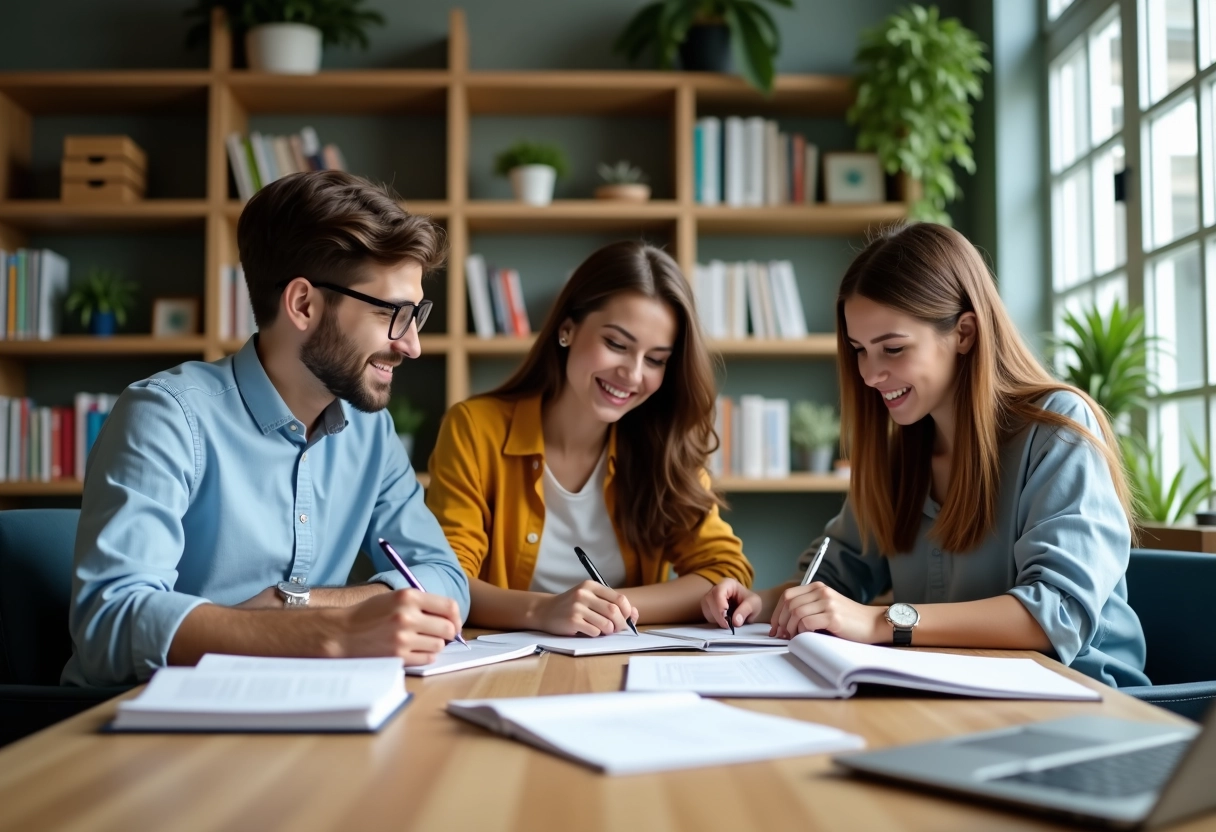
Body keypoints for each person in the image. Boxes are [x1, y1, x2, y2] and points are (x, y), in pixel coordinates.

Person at [65, 170, 469, 687]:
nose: (412, 344)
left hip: (295, 711)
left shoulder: (371, 431)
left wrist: (292, 603)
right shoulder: (165, 416)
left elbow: (445, 580)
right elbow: (110, 624)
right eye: (393, 314)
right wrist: (332, 634)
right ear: (303, 304)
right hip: (144, 731)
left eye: (417, 316)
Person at [702, 222, 1148, 687]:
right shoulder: (900, 454)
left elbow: (1055, 614)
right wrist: (764, 601)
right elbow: (837, 573)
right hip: (955, 694)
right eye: (860, 350)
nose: (872, 375)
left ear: (965, 333)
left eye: (892, 348)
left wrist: (881, 622)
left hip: (1082, 698)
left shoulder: (1057, 429)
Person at [425, 241, 753, 636]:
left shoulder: (664, 443)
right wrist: (543, 611)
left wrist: (610, 608)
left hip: (619, 661)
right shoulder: (474, 428)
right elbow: (446, 581)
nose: (632, 374)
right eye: (616, 344)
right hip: (502, 670)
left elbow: (724, 572)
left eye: (655, 360)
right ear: (567, 329)